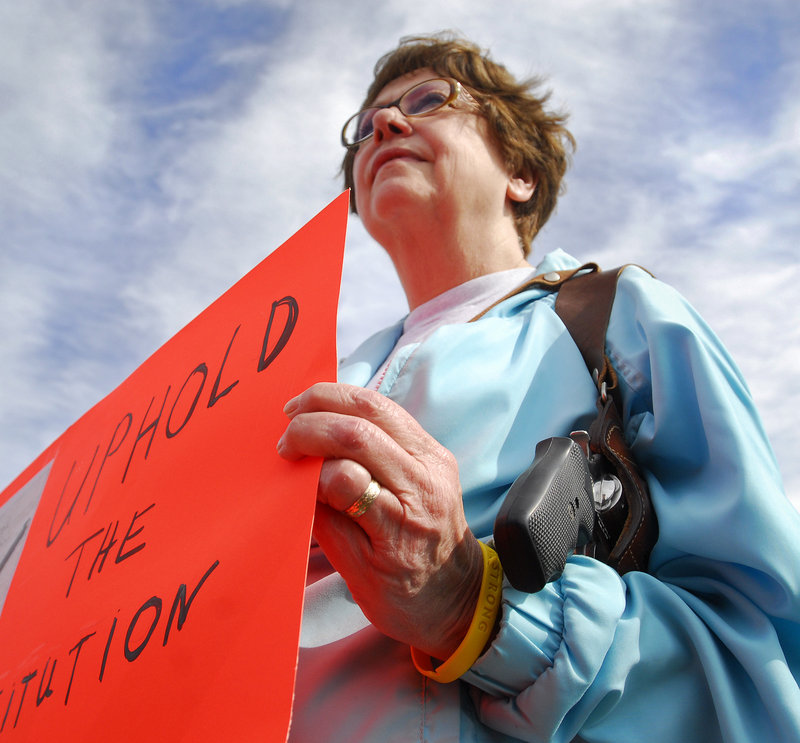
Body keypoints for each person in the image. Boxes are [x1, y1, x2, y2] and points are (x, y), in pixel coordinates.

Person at [277, 33, 800, 742]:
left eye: (427, 101)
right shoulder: (295, 391)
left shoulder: (623, 319)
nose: (386, 126)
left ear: (519, 171)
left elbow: (759, 654)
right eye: (365, 128)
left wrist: (475, 607)